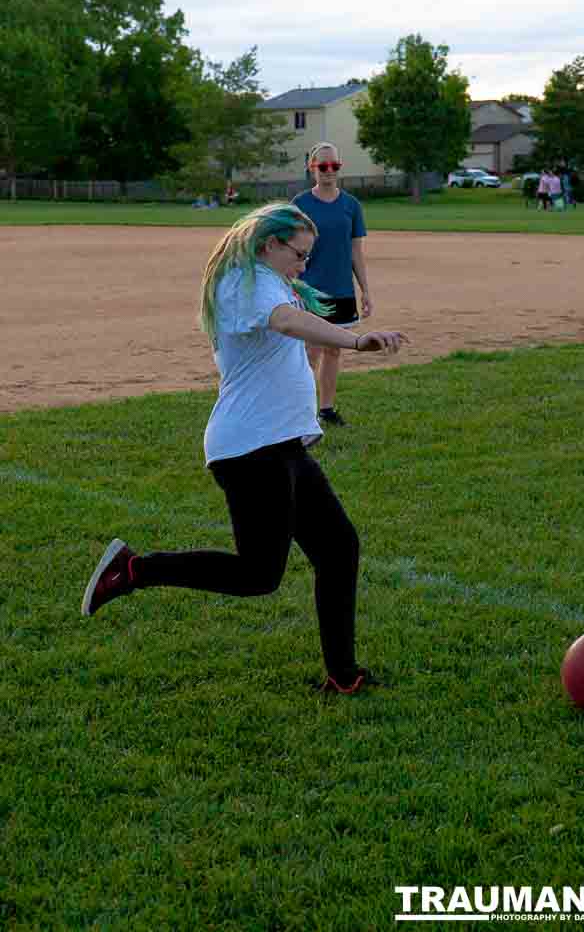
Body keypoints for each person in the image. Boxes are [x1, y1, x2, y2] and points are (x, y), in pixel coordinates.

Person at [81, 202, 408, 696]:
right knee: (258, 575)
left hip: (283, 446)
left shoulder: (273, 281)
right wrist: (357, 341)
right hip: (251, 450)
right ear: (268, 246)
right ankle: (132, 570)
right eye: (299, 254)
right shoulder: (242, 284)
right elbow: (286, 324)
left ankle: (343, 675)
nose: (304, 265)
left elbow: (292, 318)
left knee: (339, 549)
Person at [292, 142, 371, 427]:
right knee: (310, 351)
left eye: (334, 166)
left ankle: (326, 409)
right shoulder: (300, 205)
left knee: (334, 350)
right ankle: (297, 413)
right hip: (310, 289)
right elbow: (288, 249)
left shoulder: (351, 205)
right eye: (322, 166)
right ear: (311, 169)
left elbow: (355, 252)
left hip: (341, 289)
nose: (328, 171)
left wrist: (365, 290)